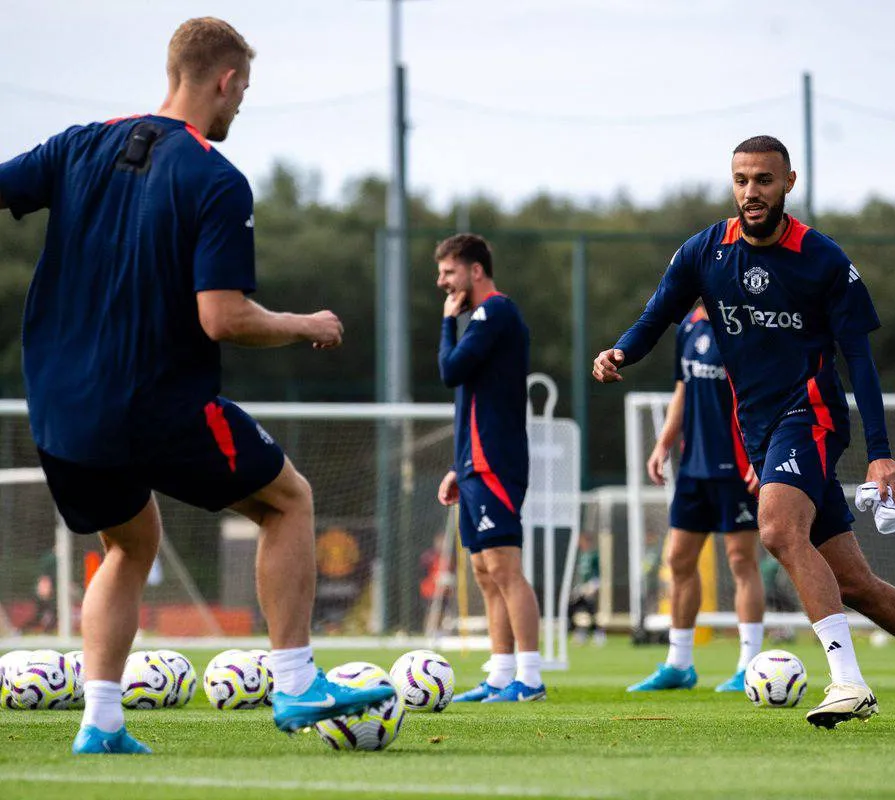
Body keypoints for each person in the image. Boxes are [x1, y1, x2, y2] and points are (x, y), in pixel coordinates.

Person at [0, 17, 393, 754]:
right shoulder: (213, 177)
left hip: (59, 412)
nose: (240, 104)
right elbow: (224, 318)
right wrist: (305, 322)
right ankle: (299, 680)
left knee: (130, 543)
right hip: (153, 403)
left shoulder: (77, 143)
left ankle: (102, 723)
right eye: (243, 89)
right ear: (226, 80)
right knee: (289, 500)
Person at [593, 135, 895, 731]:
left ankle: (848, 682)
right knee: (855, 583)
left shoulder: (823, 260)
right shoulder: (705, 251)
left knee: (774, 528)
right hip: (758, 429)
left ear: (789, 183)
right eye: (742, 179)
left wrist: (880, 453)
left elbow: (861, 362)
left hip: (813, 414)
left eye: (764, 180)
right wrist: (622, 351)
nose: (752, 192)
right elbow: (659, 311)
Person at [627, 304, 765, 693]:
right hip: (694, 468)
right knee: (679, 560)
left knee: (741, 560)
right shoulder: (687, 325)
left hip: (738, 468)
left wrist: (761, 454)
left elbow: (761, 395)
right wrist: (663, 444)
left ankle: (749, 665)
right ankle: (679, 664)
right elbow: (683, 389)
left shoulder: (744, 323)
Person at [434, 233, 545, 703]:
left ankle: (531, 679)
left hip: (496, 459)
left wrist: (446, 325)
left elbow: (450, 371)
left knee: (504, 567)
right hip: (475, 461)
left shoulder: (494, 312)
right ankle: (500, 674)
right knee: (482, 568)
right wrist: (459, 465)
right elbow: (472, 399)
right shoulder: (481, 317)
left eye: (449, 272)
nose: (443, 282)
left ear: (475, 271)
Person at [568, 532, 605, 644]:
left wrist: (594, 586)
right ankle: (580, 632)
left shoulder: (594, 555)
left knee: (590, 611)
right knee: (574, 609)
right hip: (580, 587)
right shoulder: (580, 555)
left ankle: (598, 633)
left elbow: (597, 572)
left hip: (589, 587)